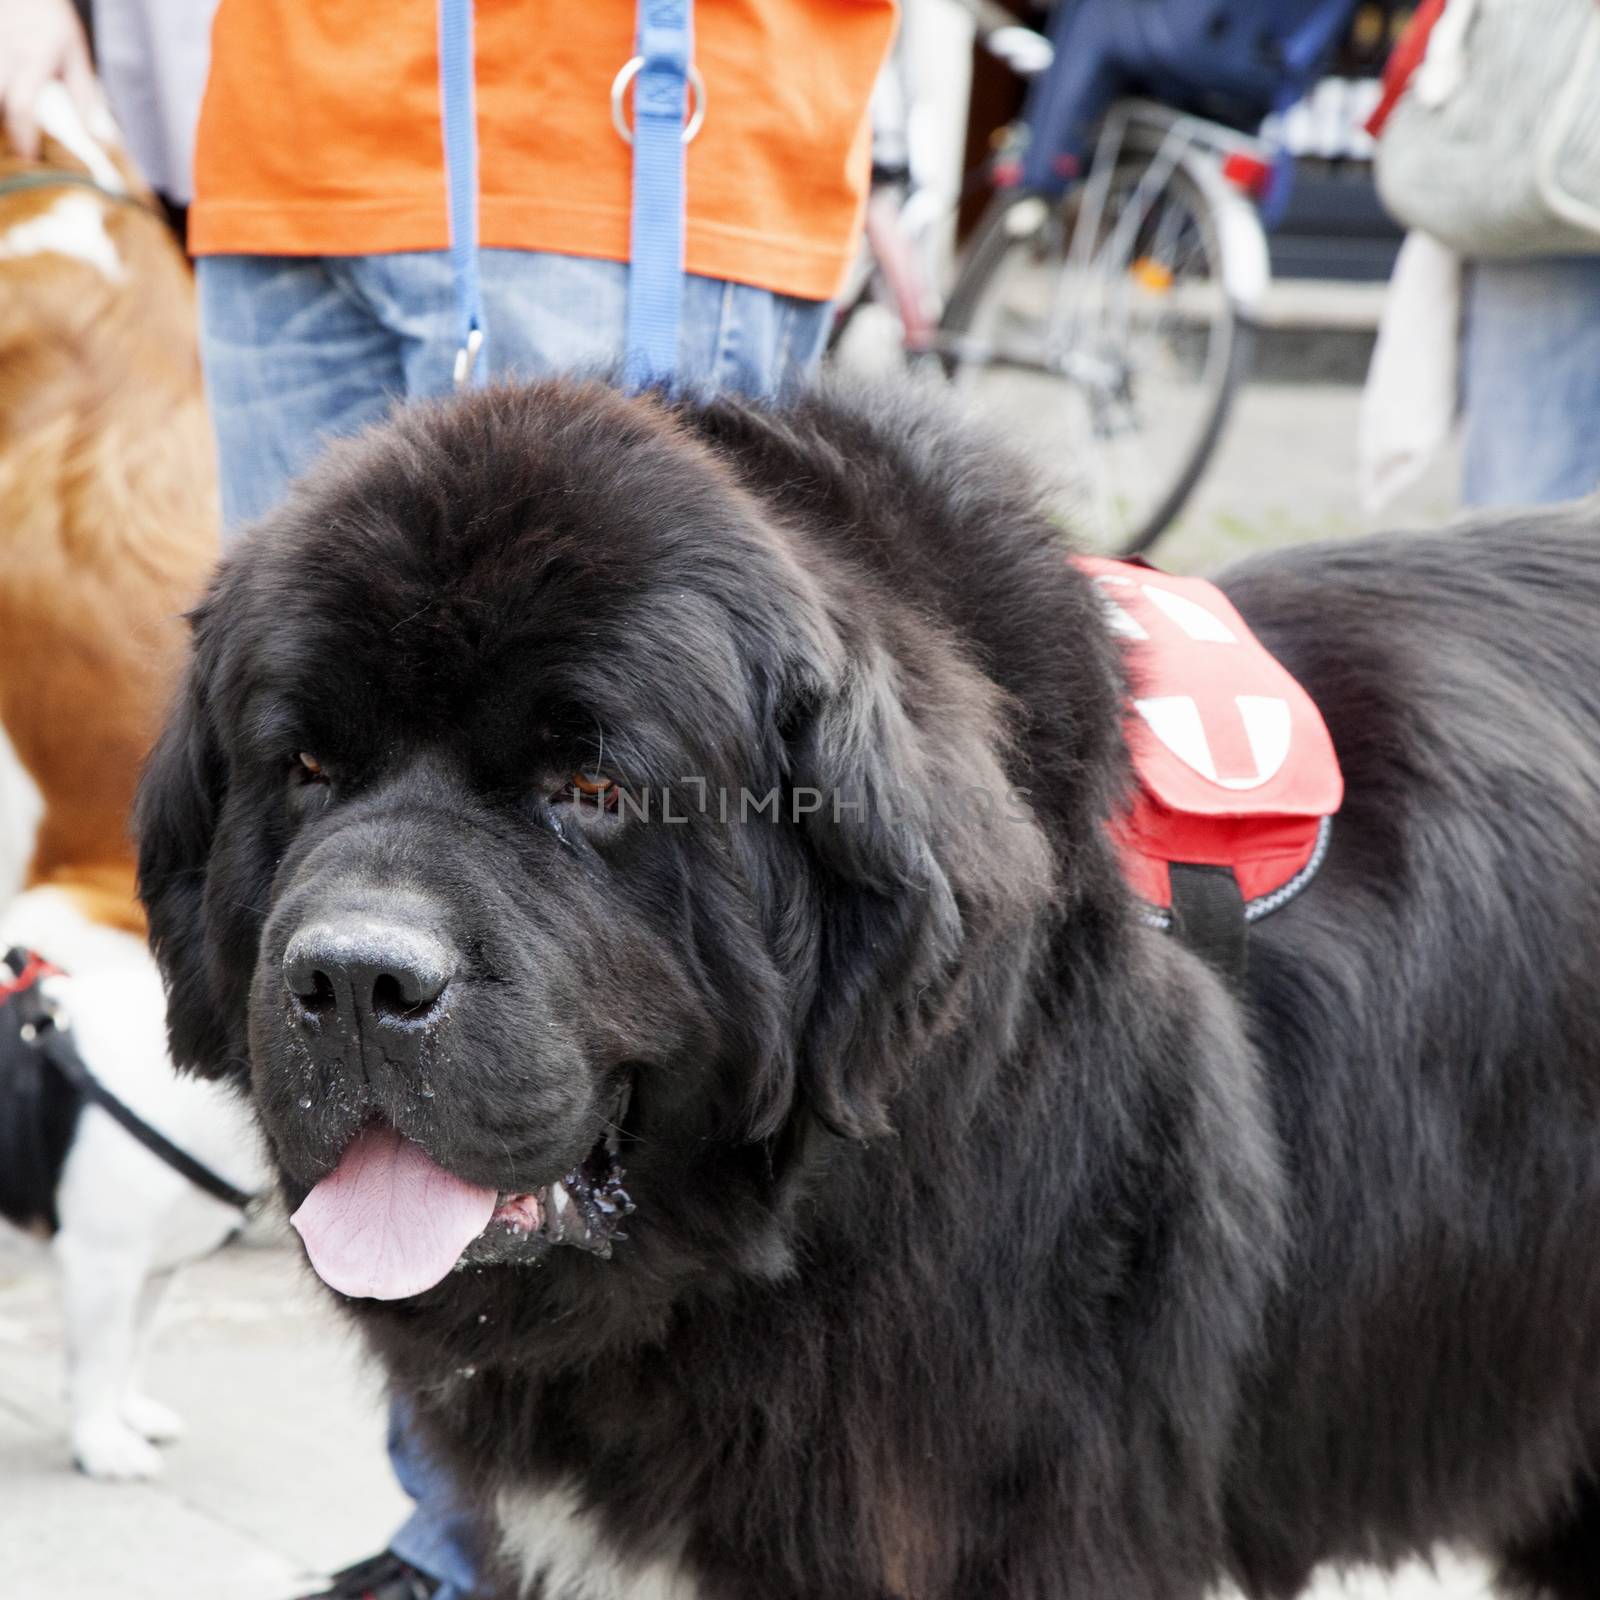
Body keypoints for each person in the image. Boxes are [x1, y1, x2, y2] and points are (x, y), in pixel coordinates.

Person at [8, 2, 896, 1596]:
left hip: (616, 109)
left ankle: (670, 1550)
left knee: (659, 972)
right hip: (285, 131)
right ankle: (472, 1530)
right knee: (333, 784)